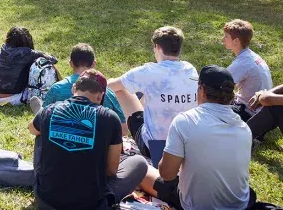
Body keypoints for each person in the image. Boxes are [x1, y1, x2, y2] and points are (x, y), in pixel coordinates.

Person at [30, 69, 148, 210]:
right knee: (139, 163)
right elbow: (112, 170)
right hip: (91, 205)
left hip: (47, 202)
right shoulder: (110, 118)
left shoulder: (49, 110)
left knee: (40, 134)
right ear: (100, 97)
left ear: (74, 88)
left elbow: (31, 129)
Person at [142, 65, 254, 210]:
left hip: (193, 205)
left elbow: (167, 174)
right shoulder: (244, 128)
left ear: (201, 90)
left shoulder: (185, 121)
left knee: (142, 169)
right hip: (240, 205)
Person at [108, 26, 198, 157]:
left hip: (155, 148)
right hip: (185, 147)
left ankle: (123, 132)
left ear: (158, 47)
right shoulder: (190, 69)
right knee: (148, 91)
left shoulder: (148, 72)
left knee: (121, 90)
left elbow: (111, 86)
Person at [38, 43, 127, 135]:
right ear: (93, 64)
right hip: (100, 146)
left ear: (71, 63)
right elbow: (123, 130)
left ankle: (38, 109)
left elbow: (42, 120)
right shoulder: (106, 91)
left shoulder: (57, 89)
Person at [0, 27, 57, 105]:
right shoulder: (29, 53)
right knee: (45, 64)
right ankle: (60, 90)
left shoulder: (4, 48)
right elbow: (53, 60)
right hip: (13, 98)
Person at [222, 19, 273, 122]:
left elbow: (219, 83)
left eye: (226, 36)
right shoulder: (251, 56)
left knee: (212, 110)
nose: (223, 39)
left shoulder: (243, 63)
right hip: (264, 112)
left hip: (250, 114)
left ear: (236, 41)